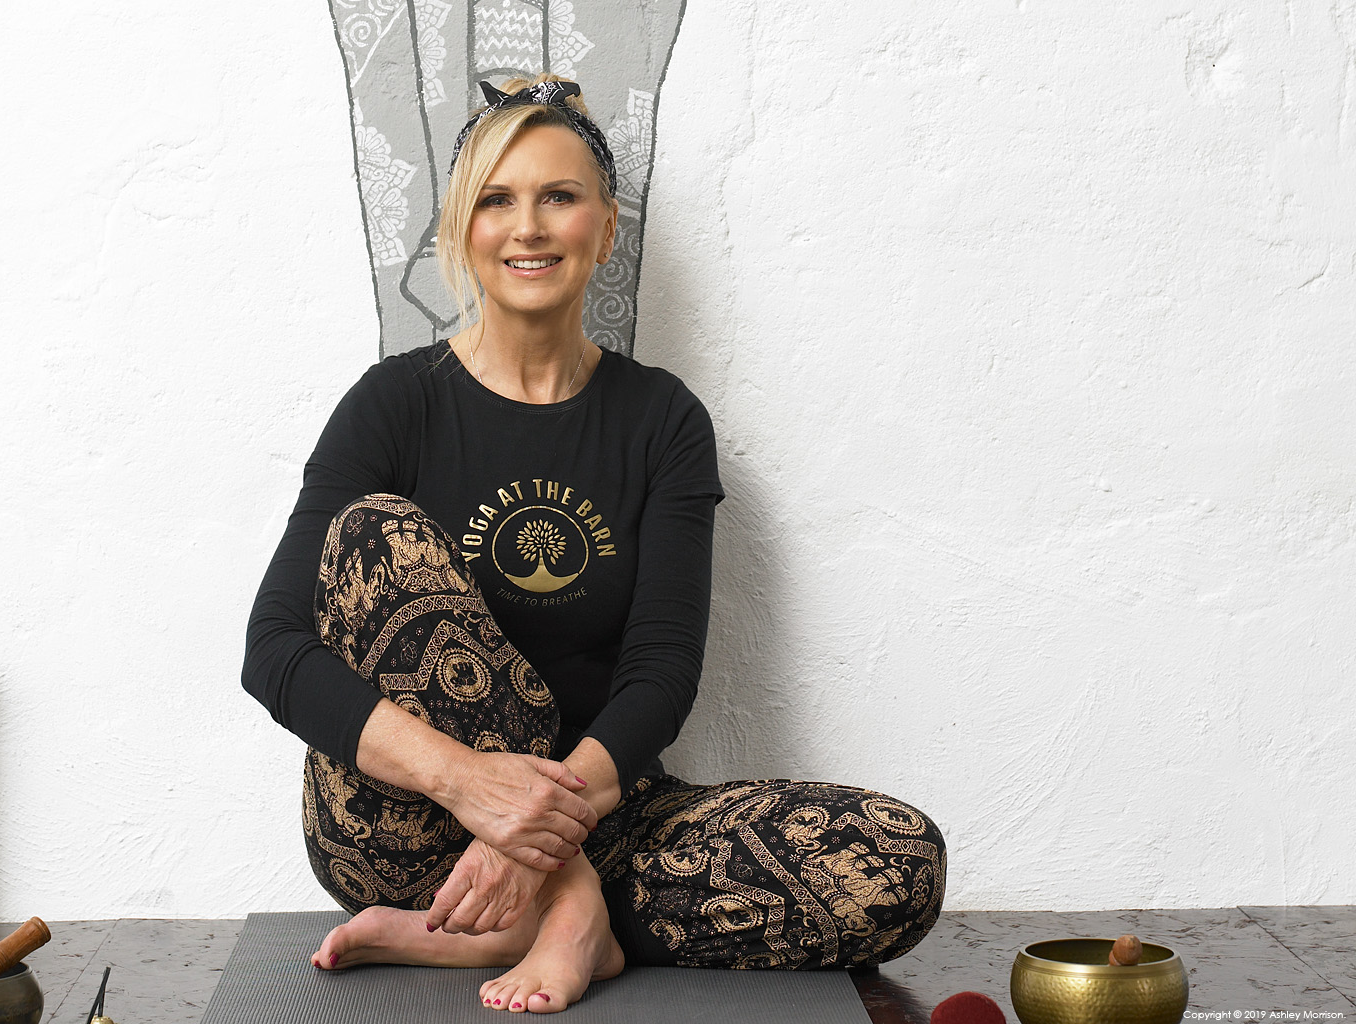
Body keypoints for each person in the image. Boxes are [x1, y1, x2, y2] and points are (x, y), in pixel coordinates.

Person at [242, 73, 946, 1014]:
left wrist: (536, 826)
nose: (527, 227)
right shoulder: (393, 404)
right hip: (406, 827)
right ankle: (574, 912)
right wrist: (472, 787)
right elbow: (275, 649)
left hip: (601, 808)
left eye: (559, 197)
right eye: (497, 200)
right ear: (460, 231)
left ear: (606, 229)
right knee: (376, 534)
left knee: (896, 860)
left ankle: (523, 916)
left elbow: (662, 671)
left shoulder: (663, 421)